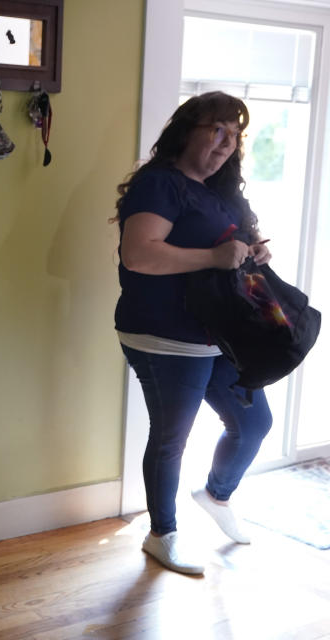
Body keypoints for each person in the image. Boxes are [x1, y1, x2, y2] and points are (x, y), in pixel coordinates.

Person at [112, 92, 274, 575]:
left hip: (219, 333)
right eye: (216, 130)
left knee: (253, 423)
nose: (226, 143)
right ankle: (162, 533)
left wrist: (255, 250)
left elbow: (232, 242)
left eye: (234, 134)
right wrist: (213, 257)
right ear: (188, 130)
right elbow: (138, 255)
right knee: (171, 439)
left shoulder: (222, 190)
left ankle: (216, 494)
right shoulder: (160, 184)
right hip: (164, 333)